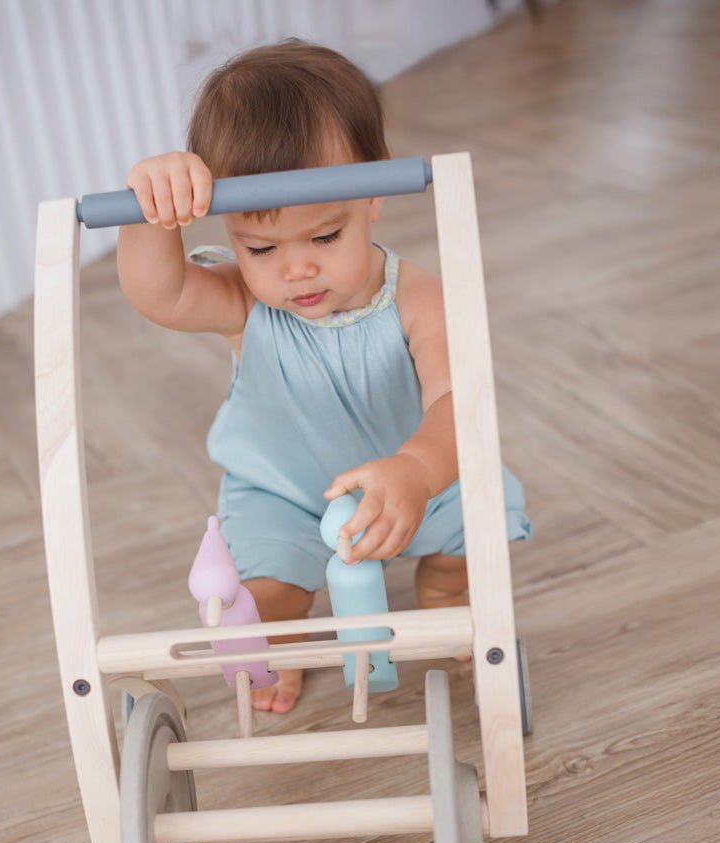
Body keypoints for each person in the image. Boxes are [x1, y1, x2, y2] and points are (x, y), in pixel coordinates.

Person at [117, 40, 531, 713]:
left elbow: (459, 402)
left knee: (480, 527)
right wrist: (150, 210)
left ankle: (444, 587)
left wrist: (417, 471)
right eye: (261, 247)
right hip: (283, 493)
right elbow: (158, 294)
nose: (297, 270)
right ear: (230, 228)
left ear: (373, 195)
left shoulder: (418, 297)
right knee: (264, 604)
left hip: (416, 474)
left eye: (325, 236)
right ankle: (280, 647)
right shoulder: (244, 301)